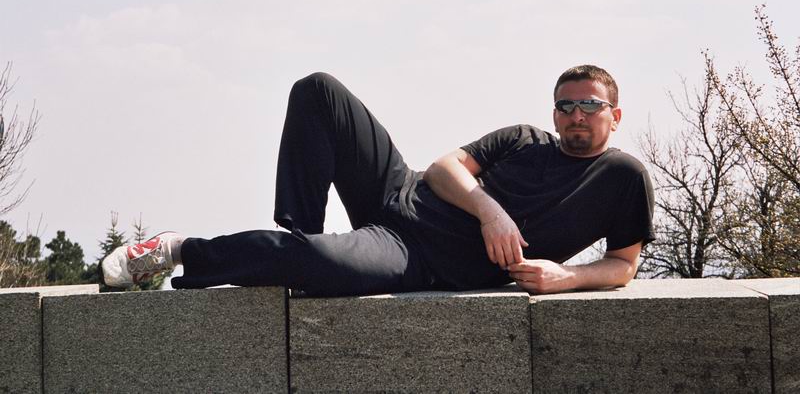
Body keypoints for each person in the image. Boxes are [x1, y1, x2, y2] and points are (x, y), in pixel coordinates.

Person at [103, 65, 655, 296]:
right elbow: (443, 169)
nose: (576, 115)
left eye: (590, 105)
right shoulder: (524, 139)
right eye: (566, 105)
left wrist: (566, 277)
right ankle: (300, 236)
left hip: (416, 256)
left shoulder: (623, 177)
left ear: (615, 115)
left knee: (316, 263)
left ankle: (179, 250)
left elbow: (623, 264)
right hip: (398, 188)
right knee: (317, 89)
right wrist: (492, 212)